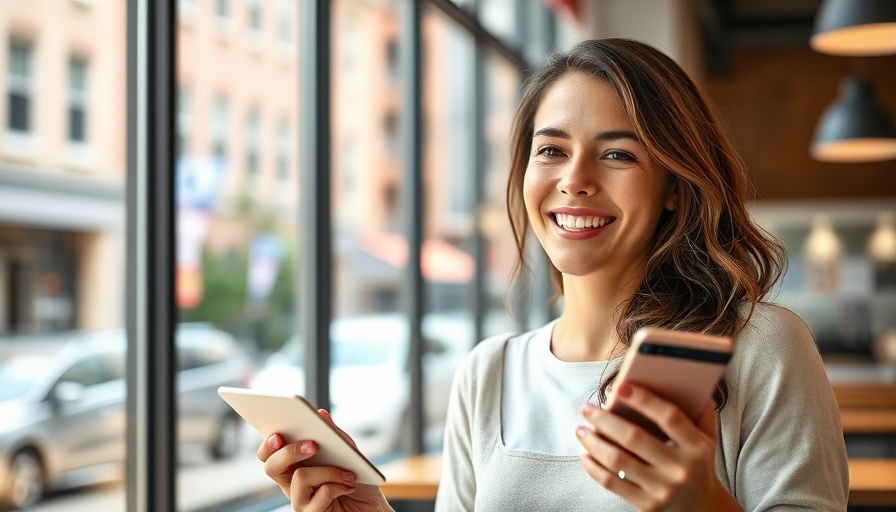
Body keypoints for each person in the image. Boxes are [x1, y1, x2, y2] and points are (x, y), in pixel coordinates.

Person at [257, 37, 849, 511]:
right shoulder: (488, 373)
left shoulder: (759, 348)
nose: (575, 179)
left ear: (674, 185)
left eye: (618, 153)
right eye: (551, 150)